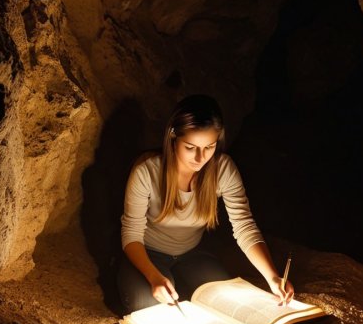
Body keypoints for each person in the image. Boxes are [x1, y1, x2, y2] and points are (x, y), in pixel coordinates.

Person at [117, 94, 294, 312]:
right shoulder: (147, 171)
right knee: (148, 306)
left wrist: (273, 276)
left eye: (209, 147)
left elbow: (244, 226)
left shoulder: (223, 169)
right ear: (173, 137)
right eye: (191, 147)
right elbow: (131, 233)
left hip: (192, 253)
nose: (200, 158)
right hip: (147, 253)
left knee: (228, 303)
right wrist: (154, 277)